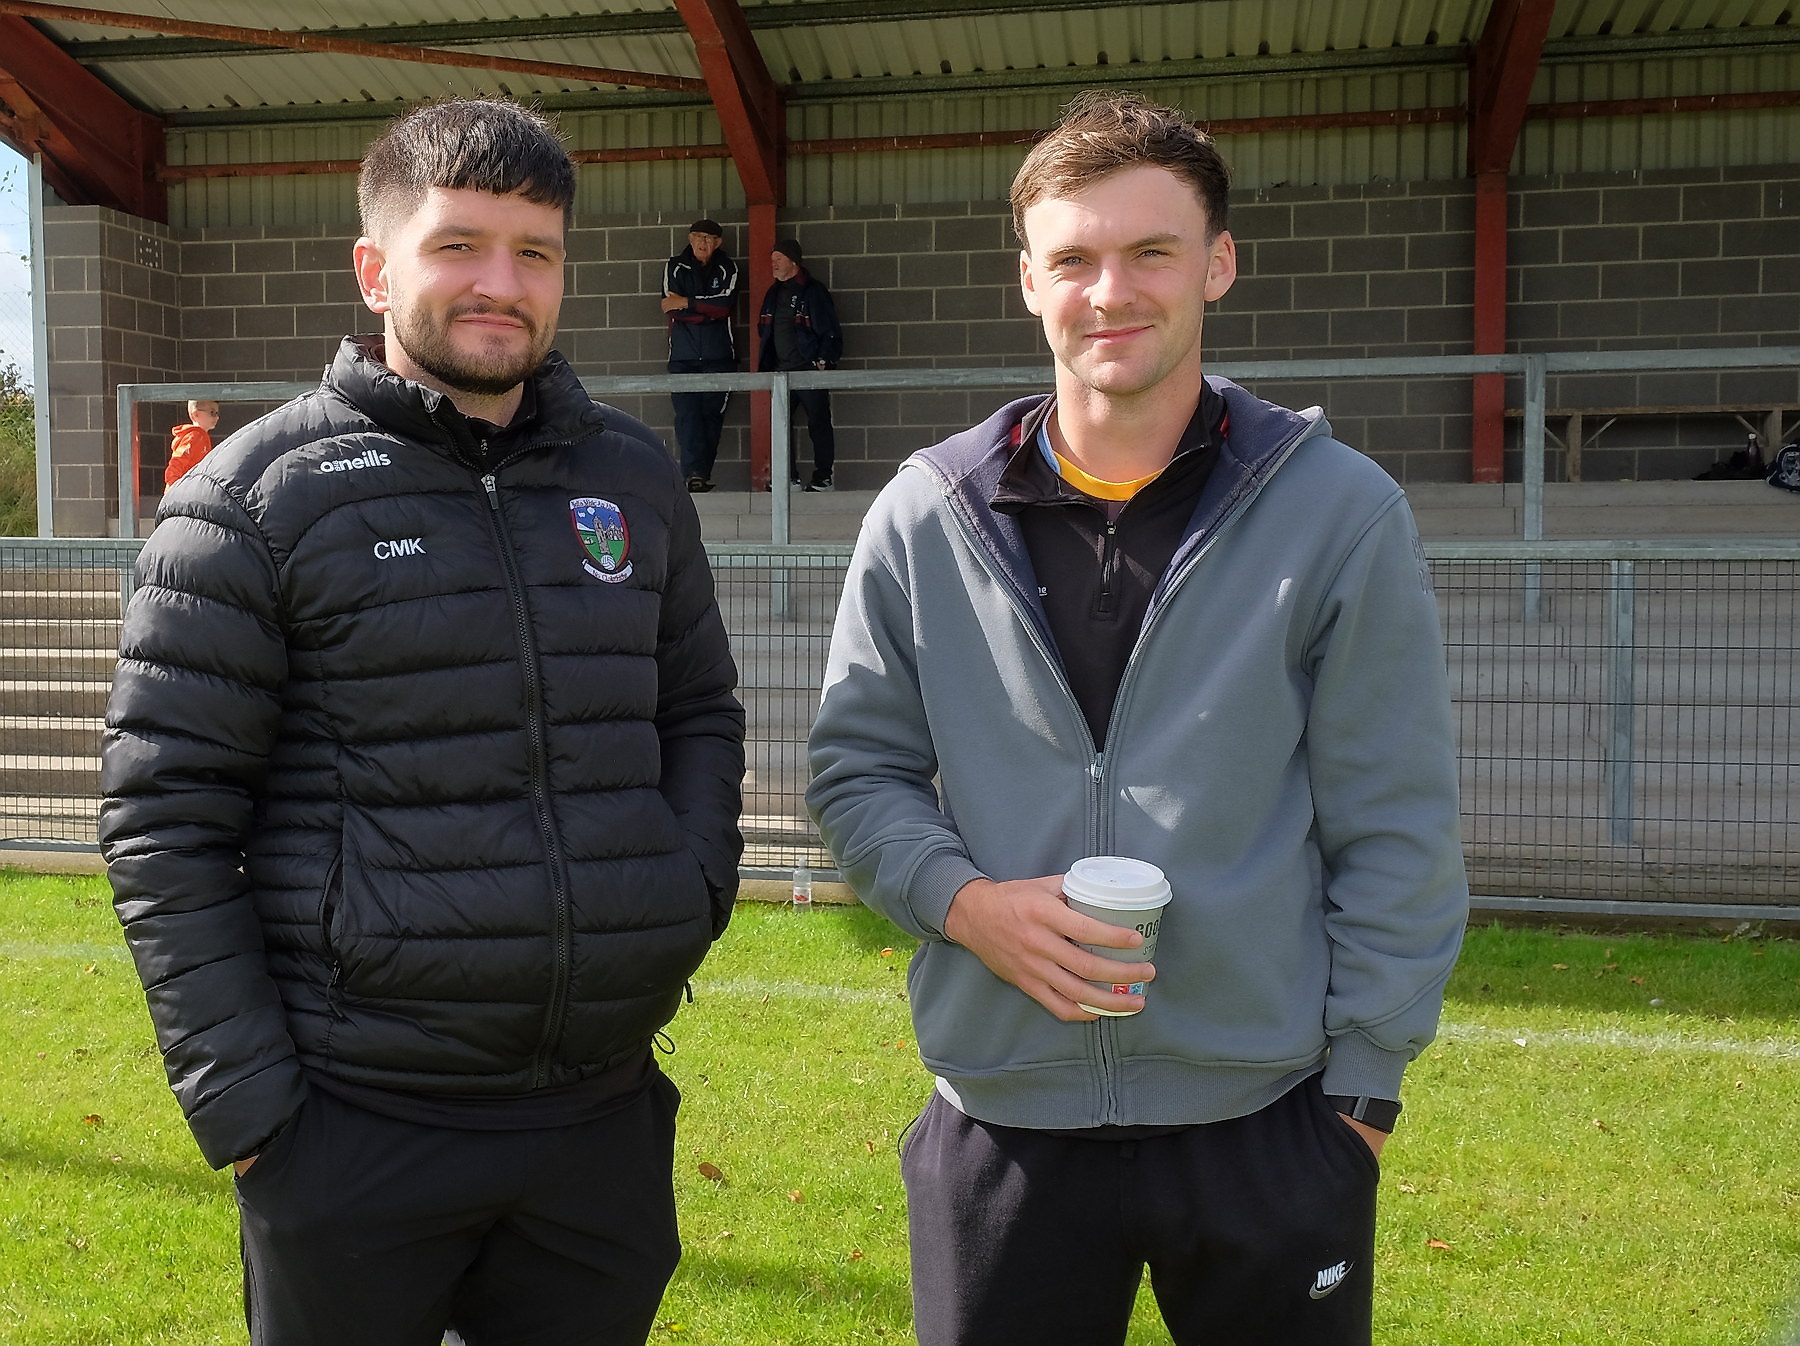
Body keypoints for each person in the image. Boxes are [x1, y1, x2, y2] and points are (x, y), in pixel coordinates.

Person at [806, 90, 1468, 1346]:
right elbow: (856, 772)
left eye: (1151, 251)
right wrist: (966, 903)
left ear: (1217, 264)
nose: (1110, 292)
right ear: (1028, 281)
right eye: (1073, 259)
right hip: (1001, 1117)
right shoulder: (924, 513)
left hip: (1271, 1123)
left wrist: (1362, 1099)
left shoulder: (1339, 511)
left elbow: (1396, 818)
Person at [100, 97, 745, 1346]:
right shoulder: (253, 498)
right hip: (353, 1128)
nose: (500, 283)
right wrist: (251, 1110)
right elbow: (165, 819)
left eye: (534, 251)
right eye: (458, 245)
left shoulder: (633, 477)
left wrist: (687, 890)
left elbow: (699, 709)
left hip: (599, 1121)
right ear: (375, 268)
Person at [756, 238, 842, 491]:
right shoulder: (773, 293)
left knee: (818, 423)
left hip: (808, 370)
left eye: (778, 259)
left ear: (793, 261)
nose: (773, 264)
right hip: (781, 373)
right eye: (772, 259)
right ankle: (788, 478)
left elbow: (829, 328)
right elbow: (764, 329)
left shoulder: (813, 291)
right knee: (781, 425)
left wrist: (824, 360)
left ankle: (823, 478)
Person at [660, 218, 738, 492]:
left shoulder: (728, 267)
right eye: (698, 237)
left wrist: (688, 303)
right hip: (683, 358)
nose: (702, 243)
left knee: (711, 417)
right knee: (687, 416)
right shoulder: (675, 266)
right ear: (690, 239)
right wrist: (706, 313)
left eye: (708, 238)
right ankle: (693, 474)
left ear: (718, 242)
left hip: (719, 358)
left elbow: (724, 307)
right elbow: (670, 308)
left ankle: (701, 474)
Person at [163, 397, 219, 486]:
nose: (217, 417)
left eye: (217, 413)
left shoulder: (201, 436)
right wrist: (173, 485)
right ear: (196, 414)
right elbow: (177, 460)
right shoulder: (194, 436)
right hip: (183, 489)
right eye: (212, 412)